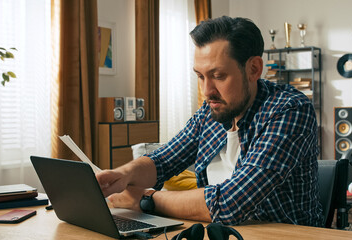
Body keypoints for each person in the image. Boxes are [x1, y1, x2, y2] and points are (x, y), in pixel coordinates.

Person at [96, 16, 323, 227]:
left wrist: (146, 200)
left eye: (218, 76)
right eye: (200, 76)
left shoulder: (290, 110)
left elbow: (231, 202)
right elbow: (163, 160)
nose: (206, 91)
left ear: (254, 69)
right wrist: (123, 174)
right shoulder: (211, 110)